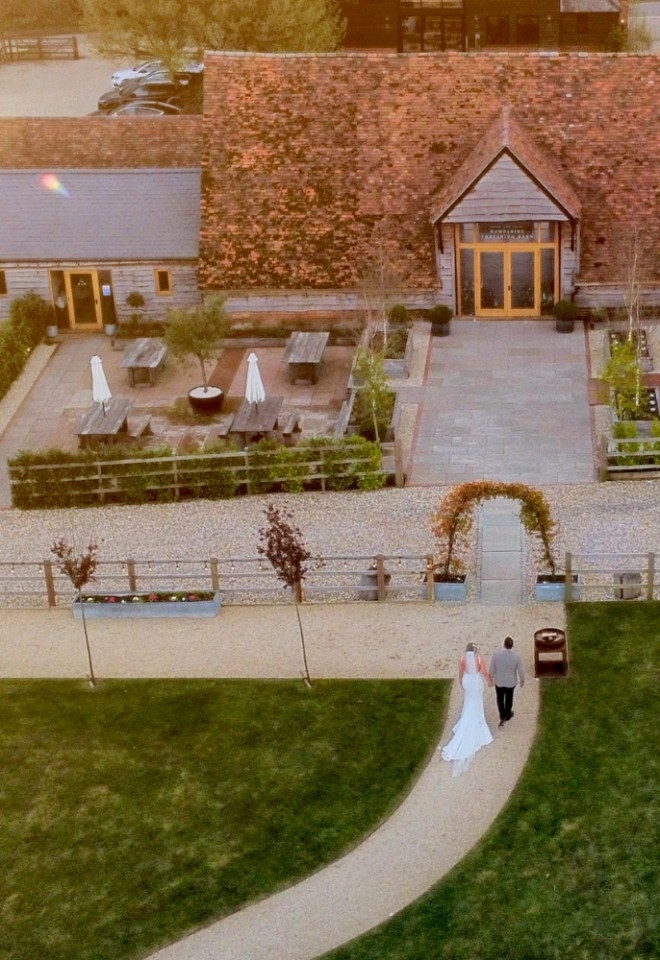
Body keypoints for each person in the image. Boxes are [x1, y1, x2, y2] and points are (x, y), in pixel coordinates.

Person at [441, 642, 493, 777]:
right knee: (477, 702)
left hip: (468, 681)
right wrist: (489, 681)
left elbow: (460, 673)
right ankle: (477, 720)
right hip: (475, 681)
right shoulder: (479, 659)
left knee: (469, 702)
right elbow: (484, 671)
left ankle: (468, 718)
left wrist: (462, 683)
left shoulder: (462, 659)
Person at [489, 636, 525, 729]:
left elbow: (492, 668)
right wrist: (522, 680)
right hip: (510, 682)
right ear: (512, 646)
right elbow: (520, 670)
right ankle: (508, 714)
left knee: (500, 699)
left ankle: (502, 715)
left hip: (499, 681)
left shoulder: (496, 655)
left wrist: (491, 678)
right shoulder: (516, 657)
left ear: (504, 644)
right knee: (509, 698)